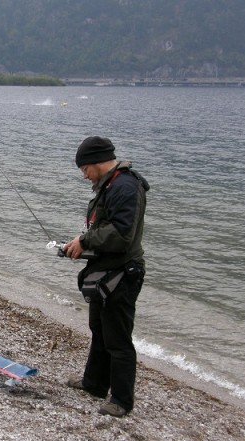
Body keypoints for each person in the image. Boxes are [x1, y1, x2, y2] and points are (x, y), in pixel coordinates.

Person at [62, 136, 149, 417]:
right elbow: (105, 227)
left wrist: (85, 242)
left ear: (99, 162)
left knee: (118, 339)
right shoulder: (109, 185)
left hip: (123, 274)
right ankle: (95, 384)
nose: (84, 175)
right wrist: (79, 245)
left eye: (85, 168)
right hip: (104, 271)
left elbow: (122, 235)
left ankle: (122, 400)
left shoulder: (125, 187)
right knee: (99, 330)